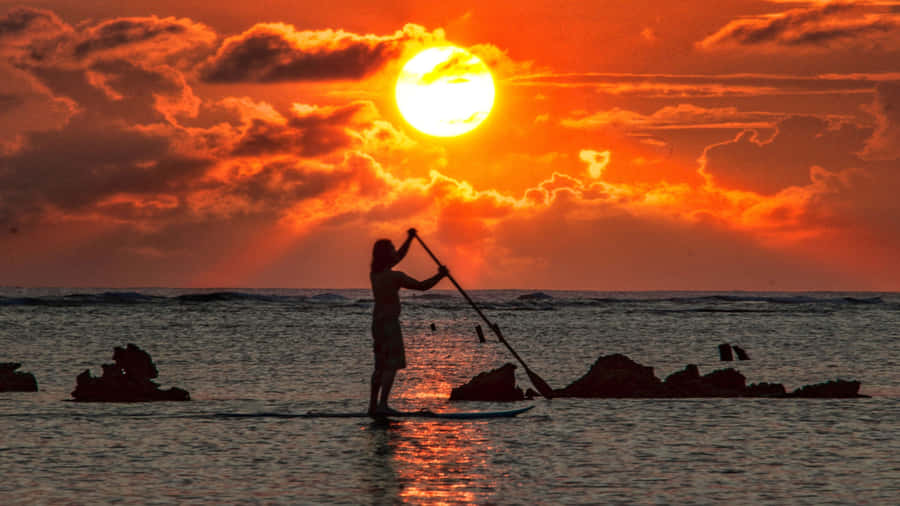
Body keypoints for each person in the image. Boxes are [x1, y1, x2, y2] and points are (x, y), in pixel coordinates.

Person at [369, 228, 448, 416]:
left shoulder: (375, 274)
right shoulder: (395, 276)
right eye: (391, 249)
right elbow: (422, 286)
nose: (395, 251)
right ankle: (383, 405)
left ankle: (373, 406)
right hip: (389, 325)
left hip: (377, 325)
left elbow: (398, 257)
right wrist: (440, 275)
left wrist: (409, 239)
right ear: (386, 255)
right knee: (391, 365)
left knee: (380, 366)